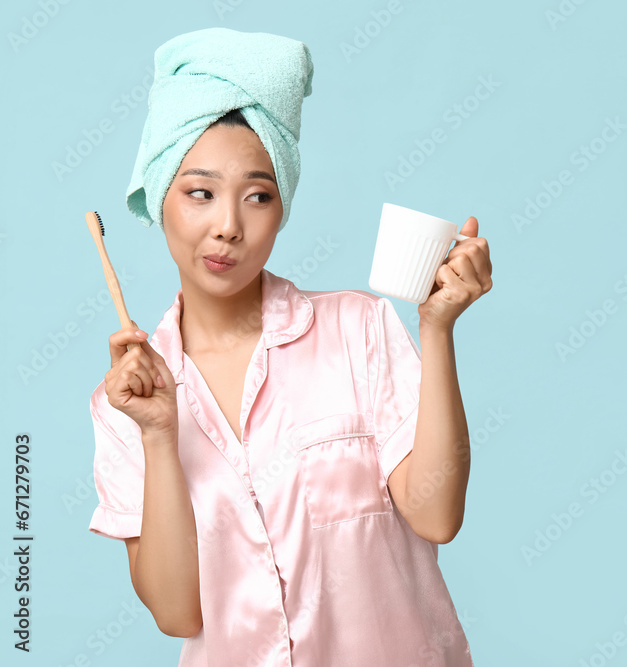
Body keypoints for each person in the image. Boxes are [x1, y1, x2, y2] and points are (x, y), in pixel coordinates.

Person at [87, 28, 491, 666]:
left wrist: (436, 329)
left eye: (258, 196)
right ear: (159, 196)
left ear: (282, 210)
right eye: (200, 192)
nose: (228, 225)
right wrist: (160, 433)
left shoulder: (357, 330)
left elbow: (436, 516)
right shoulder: (126, 404)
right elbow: (175, 613)